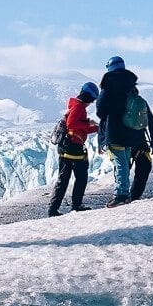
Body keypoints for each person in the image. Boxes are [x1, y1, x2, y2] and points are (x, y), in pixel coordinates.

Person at [96, 56, 153, 206]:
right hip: (133, 135)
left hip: (115, 132)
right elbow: (148, 116)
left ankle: (121, 195)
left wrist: (102, 139)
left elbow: (100, 112)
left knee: (120, 164)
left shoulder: (108, 87)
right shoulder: (132, 89)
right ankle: (130, 195)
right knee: (125, 163)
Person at [48, 82, 99, 217]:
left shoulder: (77, 106)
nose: (91, 103)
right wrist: (89, 123)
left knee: (64, 179)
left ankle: (54, 209)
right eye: (92, 100)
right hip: (72, 148)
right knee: (81, 177)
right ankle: (74, 205)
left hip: (68, 147)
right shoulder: (78, 107)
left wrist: (95, 128)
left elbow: (78, 128)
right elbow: (72, 124)